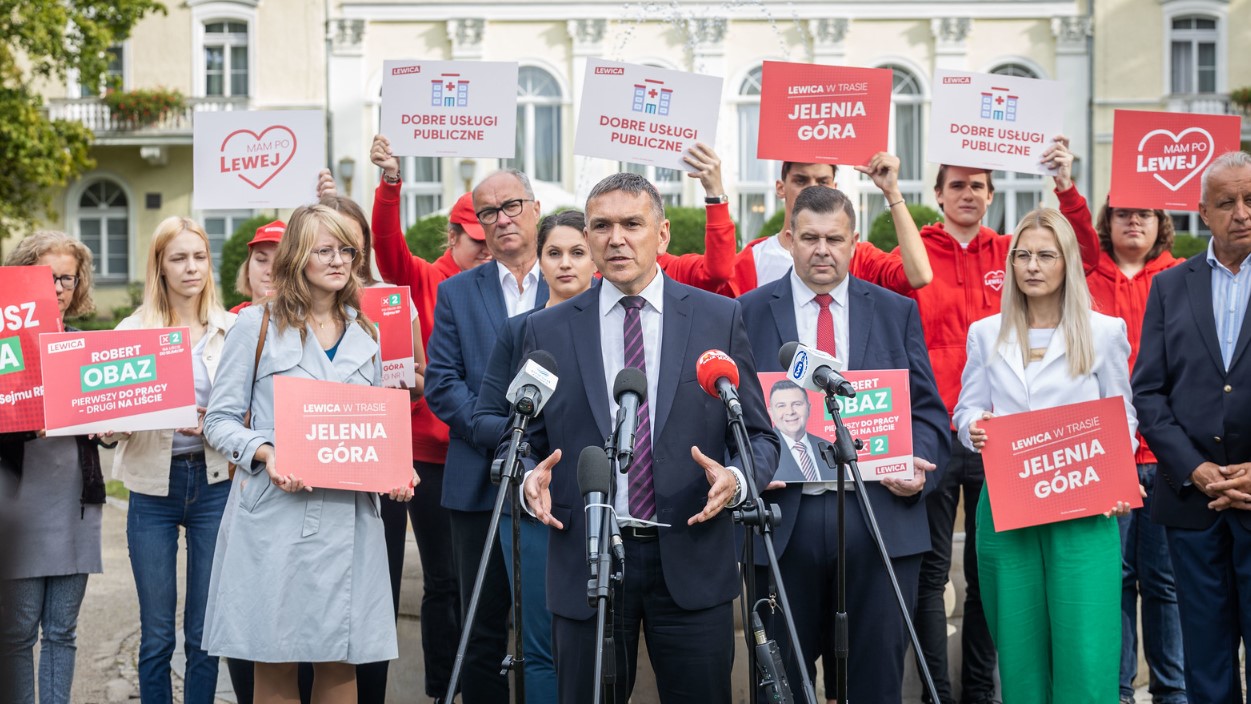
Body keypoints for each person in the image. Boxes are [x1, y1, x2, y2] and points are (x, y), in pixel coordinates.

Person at [517, 172, 780, 702]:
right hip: (587, 561)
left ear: (661, 235)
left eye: (632, 224)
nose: (616, 238)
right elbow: (518, 438)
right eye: (602, 226)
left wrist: (736, 478)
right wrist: (527, 478)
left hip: (690, 555)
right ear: (587, 238)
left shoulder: (718, 317)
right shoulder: (546, 330)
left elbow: (758, 437)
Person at [738, 185, 949, 703]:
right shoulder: (745, 312)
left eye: (834, 238)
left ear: (855, 241)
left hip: (879, 519)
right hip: (786, 521)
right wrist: (753, 464)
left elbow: (929, 415)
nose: (822, 250)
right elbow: (733, 418)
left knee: (877, 681)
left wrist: (920, 468)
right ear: (788, 238)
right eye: (809, 237)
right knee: (782, 683)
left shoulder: (897, 310)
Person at [908, 137, 1100, 704]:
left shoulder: (1013, 250)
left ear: (992, 195)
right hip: (939, 430)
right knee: (932, 571)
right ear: (938, 195)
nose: (968, 193)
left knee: (992, 579)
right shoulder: (916, 250)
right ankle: (936, 693)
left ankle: (980, 692)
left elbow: (1081, 256)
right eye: (957, 184)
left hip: (1016, 447)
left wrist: (1065, 186)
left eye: (978, 185)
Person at [202, 204, 415, 703]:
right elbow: (219, 421)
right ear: (298, 255)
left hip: (349, 520)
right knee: (274, 660)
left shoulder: (368, 333)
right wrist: (265, 451)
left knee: (341, 663)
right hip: (274, 518)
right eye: (325, 250)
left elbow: (378, 428)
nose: (339, 261)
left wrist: (397, 470)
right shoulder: (254, 326)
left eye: (347, 250)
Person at [953, 207, 1136, 704]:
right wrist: (976, 427)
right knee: (1019, 642)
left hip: (1083, 501)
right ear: (1011, 264)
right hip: (1009, 502)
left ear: (1067, 263)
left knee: (1085, 642)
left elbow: (1123, 416)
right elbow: (967, 406)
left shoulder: (1103, 331)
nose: (1032, 266)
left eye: (1045, 255)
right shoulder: (986, 333)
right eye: (1023, 255)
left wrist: (1119, 479)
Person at [1056, 176, 1187, 704]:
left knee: (1165, 584)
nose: (1133, 220)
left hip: (1168, 456)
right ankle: (1116, 691)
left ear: (1162, 224)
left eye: (1145, 213)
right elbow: (1077, 233)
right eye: (1122, 213)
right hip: (1105, 453)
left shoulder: (1179, 278)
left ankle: (1171, 691)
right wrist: (1066, 187)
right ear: (1106, 224)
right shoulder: (1089, 276)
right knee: (1114, 581)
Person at [424, 168, 549, 702]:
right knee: (480, 628)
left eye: (512, 206)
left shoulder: (574, 278)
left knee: (552, 625)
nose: (502, 220)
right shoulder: (456, 293)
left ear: (536, 207)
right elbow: (442, 382)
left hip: (556, 478)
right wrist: (501, 434)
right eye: (488, 213)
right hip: (478, 480)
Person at [1132, 150, 1251, 704]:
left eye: (1250, 200)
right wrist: (1195, 468)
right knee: (1204, 656)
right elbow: (1149, 393)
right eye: (1226, 203)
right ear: (1202, 212)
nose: (1242, 212)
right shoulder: (1170, 287)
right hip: (1191, 502)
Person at [369, 134, 483, 702]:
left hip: (453, 456)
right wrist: (392, 183)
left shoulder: (494, 285)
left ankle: (445, 686)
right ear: (454, 237)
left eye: (493, 239)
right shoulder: (426, 278)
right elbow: (387, 248)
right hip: (404, 451)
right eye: (476, 241)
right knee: (383, 581)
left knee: (447, 580)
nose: (487, 249)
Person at [469, 209, 597, 702]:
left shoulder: (621, 327)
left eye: (577, 252)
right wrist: (533, 438)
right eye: (554, 253)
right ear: (538, 262)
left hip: (606, 504)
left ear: (596, 259)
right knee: (542, 648)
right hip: (533, 509)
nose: (566, 264)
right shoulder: (520, 331)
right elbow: (483, 419)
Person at [109, 217, 237, 704]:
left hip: (215, 484)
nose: (191, 268)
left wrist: (215, 423)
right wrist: (111, 426)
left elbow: (250, 411)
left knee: (205, 631)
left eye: (199, 257)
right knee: (157, 632)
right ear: (159, 266)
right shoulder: (131, 330)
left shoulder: (234, 329)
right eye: (178, 258)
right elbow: (113, 416)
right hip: (151, 488)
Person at [0, 232, 104, 704]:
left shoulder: (85, 349)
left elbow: (107, 420)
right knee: (16, 634)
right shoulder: (4, 350)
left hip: (74, 508)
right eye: (47, 276)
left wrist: (112, 427)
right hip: (17, 507)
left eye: (67, 277)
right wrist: (25, 427)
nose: (58, 287)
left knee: (63, 631)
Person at [723, 155, 933, 297]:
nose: (812, 190)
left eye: (822, 181)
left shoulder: (858, 256)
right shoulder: (751, 262)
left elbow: (919, 276)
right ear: (780, 188)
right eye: (800, 180)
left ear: (835, 188)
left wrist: (892, 191)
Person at [765, 380, 836, 483]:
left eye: (797, 404)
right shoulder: (762, 452)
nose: (790, 412)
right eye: (781, 406)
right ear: (771, 413)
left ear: (809, 408)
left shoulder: (828, 447)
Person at [230, 220, 286, 314]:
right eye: (261, 260)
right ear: (247, 269)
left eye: (281, 263)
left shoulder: (307, 321)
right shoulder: (232, 319)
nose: (270, 271)